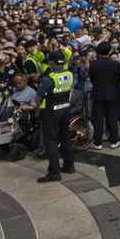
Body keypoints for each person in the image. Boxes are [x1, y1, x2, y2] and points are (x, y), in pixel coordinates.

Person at [35, 49, 75, 182]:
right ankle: (69, 165)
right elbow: (71, 87)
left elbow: (38, 97)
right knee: (65, 138)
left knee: (51, 141)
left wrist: (38, 107)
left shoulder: (49, 78)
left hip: (52, 112)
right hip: (66, 109)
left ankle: (54, 172)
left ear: (51, 63)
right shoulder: (69, 74)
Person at [88, 40, 120, 149]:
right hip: (112, 94)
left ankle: (98, 143)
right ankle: (114, 141)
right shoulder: (115, 64)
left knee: (98, 119)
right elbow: (118, 79)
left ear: (98, 52)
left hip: (98, 94)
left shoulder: (93, 64)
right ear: (109, 51)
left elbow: (91, 78)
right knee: (112, 118)